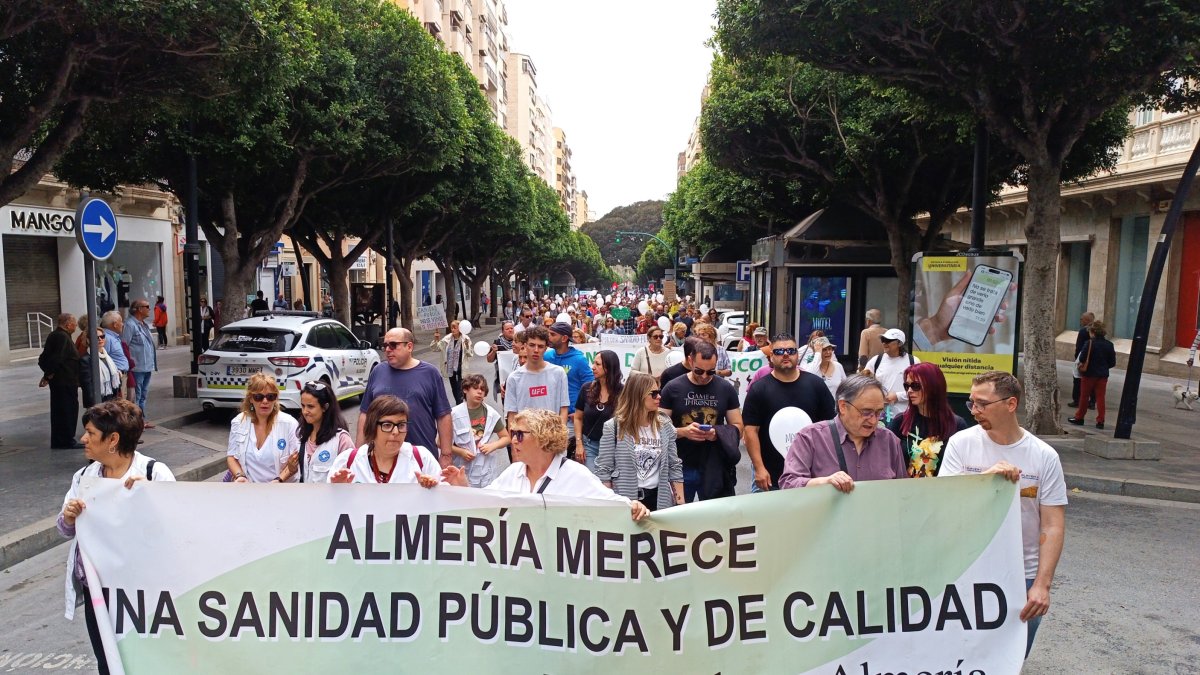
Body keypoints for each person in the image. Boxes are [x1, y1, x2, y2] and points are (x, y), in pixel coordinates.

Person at [940, 370, 1067, 658]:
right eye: (972, 402)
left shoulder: (1043, 455)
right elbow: (945, 504)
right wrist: (985, 480)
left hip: (1022, 576)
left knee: (1009, 661)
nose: (974, 411)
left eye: (982, 404)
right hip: (967, 570)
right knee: (960, 658)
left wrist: (1041, 585)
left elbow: (1053, 524)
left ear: (1010, 405)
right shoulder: (961, 443)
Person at [57, 399, 175, 675]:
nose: (83, 439)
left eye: (90, 433)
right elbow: (64, 529)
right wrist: (69, 517)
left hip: (143, 593)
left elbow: (176, 530)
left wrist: (152, 499)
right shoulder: (84, 476)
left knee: (145, 660)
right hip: (98, 591)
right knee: (107, 662)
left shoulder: (153, 473)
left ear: (113, 439)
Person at [440, 408, 649, 521]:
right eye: (513, 434)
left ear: (543, 438)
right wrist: (462, 488)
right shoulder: (513, 473)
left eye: (520, 435)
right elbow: (485, 506)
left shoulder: (575, 475)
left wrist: (633, 506)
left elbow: (611, 504)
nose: (512, 440)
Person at [742, 333, 837, 491]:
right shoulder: (759, 389)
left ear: (797, 354)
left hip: (811, 476)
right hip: (770, 476)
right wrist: (759, 469)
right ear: (771, 356)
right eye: (779, 352)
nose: (785, 354)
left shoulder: (816, 385)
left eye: (791, 351)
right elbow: (750, 430)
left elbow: (830, 427)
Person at [779, 375, 909, 490]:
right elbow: (788, 483)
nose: (873, 420)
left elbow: (902, 491)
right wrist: (824, 482)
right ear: (843, 407)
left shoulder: (889, 440)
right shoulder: (810, 437)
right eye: (866, 412)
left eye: (878, 412)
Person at [659, 340, 743, 501]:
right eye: (699, 371)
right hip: (680, 465)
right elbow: (657, 427)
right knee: (679, 519)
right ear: (690, 361)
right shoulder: (672, 387)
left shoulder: (726, 389)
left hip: (714, 465)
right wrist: (683, 432)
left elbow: (739, 426)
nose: (704, 376)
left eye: (710, 372)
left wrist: (717, 433)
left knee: (713, 519)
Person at [359, 327, 453, 466]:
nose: (387, 349)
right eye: (384, 345)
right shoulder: (378, 371)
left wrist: (446, 454)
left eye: (393, 345)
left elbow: (443, 415)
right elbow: (365, 414)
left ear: (409, 346)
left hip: (420, 459)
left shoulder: (430, 373)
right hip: (381, 458)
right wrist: (359, 452)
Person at [595, 372, 684, 511]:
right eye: (653, 393)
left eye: (659, 392)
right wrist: (608, 507)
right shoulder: (613, 426)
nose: (659, 397)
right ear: (638, 395)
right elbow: (604, 470)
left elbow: (674, 466)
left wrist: (680, 505)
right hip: (625, 501)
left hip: (659, 500)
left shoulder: (665, 425)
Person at [329, 396, 441, 485]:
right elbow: (328, 505)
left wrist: (435, 489)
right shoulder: (347, 462)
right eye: (387, 425)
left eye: (401, 425)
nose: (396, 432)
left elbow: (445, 498)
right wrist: (338, 492)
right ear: (372, 427)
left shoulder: (422, 459)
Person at [887, 362, 968, 477]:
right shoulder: (900, 421)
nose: (909, 390)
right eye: (907, 386)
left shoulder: (956, 424)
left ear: (933, 386)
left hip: (941, 490)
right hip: (904, 491)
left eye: (915, 386)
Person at [503, 326, 570, 453]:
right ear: (524, 346)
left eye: (540, 346)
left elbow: (564, 409)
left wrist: (559, 438)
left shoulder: (558, 373)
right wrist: (514, 448)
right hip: (526, 442)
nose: (536, 350)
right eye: (532, 345)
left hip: (551, 440)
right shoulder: (514, 378)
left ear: (546, 348)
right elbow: (512, 415)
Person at [226, 373, 301, 483]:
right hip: (250, 492)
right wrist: (239, 475)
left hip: (282, 490)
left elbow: (296, 461)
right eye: (258, 397)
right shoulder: (239, 422)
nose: (265, 401)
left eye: (270, 397)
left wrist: (279, 480)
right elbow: (231, 456)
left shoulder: (289, 424)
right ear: (250, 398)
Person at [544, 322, 595, 461]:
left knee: (566, 457)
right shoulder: (547, 356)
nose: (549, 337)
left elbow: (591, 387)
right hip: (550, 416)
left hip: (572, 419)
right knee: (549, 455)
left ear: (564, 338)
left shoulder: (579, 359)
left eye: (553, 334)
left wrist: (580, 411)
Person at [450, 374, 510, 487]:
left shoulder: (491, 414)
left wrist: (493, 446)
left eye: (482, 389)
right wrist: (460, 452)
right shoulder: (453, 414)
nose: (480, 392)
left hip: (485, 470)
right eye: (475, 388)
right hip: (462, 468)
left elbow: (506, 438)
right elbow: (440, 443)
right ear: (465, 389)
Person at [292, 380, 354, 483]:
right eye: (303, 406)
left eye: (310, 406)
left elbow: (352, 476)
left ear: (325, 407)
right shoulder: (301, 435)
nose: (305, 411)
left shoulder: (342, 440)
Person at [39, 313, 82, 449]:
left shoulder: (59, 336)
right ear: (68, 324)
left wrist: (48, 374)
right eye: (74, 324)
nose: (76, 326)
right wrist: (48, 375)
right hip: (64, 381)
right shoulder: (61, 337)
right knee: (66, 410)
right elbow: (56, 358)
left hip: (65, 381)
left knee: (63, 409)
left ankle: (62, 439)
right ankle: (65, 440)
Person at [574, 350, 623, 470]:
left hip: (613, 447)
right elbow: (578, 417)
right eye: (593, 363)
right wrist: (579, 443)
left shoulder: (623, 392)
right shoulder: (586, 388)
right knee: (593, 482)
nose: (593, 367)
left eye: (598, 364)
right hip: (589, 445)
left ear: (609, 367)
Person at [1068, 320, 1117, 429]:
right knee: (1100, 398)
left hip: (1089, 374)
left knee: (1084, 396)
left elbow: (1082, 358)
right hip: (1103, 375)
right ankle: (1100, 421)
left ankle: (1079, 417)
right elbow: (1112, 362)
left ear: (1093, 332)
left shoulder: (1089, 343)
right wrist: (1103, 367)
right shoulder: (1109, 345)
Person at [863, 328, 919, 422]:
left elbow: (920, 389)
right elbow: (862, 384)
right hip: (879, 417)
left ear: (899, 343)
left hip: (905, 416)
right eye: (883, 340)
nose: (884, 343)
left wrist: (897, 396)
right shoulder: (876, 360)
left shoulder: (913, 361)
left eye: (888, 341)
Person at [121, 299, 158, 424]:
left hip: (147, 366)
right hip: (137, 367)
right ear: (138, 309)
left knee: (143, 395)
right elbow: (124, 345)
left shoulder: (143, 324)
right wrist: (129, 364)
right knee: (136, 395)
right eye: (146, 306)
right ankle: (135, 422)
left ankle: (141, 420)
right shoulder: (130, 325)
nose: (149, 308)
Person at [431, 320, 473, 405]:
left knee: (460, 389)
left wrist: (467, 346)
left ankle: (460, 405)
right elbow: (436, 348)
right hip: (450, 369)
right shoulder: (447, 339)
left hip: (461, 369)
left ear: (460, 328)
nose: (453, 330)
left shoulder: (466, 339)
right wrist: (436, 339)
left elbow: (470, 354)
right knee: (454, 388)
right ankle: (459, 404)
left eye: (455, 328)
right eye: (451, 328)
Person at [79, 327, 122, 409]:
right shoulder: (86, 359)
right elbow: (87, 386)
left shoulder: (107, 356)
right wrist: (94, 406)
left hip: (111, 400)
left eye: (102, 337)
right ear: (88, 340)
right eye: (96, 337)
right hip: (97, 402)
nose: (100, 339)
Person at [1068, 311, 1097, 409]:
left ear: (1087, 320)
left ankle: (1077, 400)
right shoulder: (1097, 330)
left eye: (1082, 318)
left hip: (1083, 359)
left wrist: (1078, 358)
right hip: (1094, 360)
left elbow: (1079, 347)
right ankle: (1092, 401)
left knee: (1077, 379)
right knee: (1092, 381)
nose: (1080, 320)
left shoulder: (1083, 331)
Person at [100, 311, 128, 398]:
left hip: (119, 376)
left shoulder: (112, 337)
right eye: (121, 321)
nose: (122, 324)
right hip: (115, 377)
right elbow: (103, 358)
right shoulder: (106, 338)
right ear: (115, 324)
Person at [486, 320, 515, 399]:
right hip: (503, 377)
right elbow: (489, 360)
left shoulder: (518, 341)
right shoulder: (497, 342)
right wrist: (494, 352)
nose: (510, 330)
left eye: (511, 328)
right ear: (502, 331)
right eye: (507, 329)